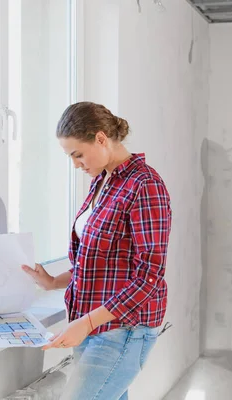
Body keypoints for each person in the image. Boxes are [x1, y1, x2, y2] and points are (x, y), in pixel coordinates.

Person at [22, 101, 172, 400]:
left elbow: (149, 275)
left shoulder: (145, 185)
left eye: (78, 154)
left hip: (124, 328)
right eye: (70, 157)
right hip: (91, 323)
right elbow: (98, 263)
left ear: (101, 138)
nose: (76, 164)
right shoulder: (102, 182)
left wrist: (87, 323)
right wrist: (53, 282)